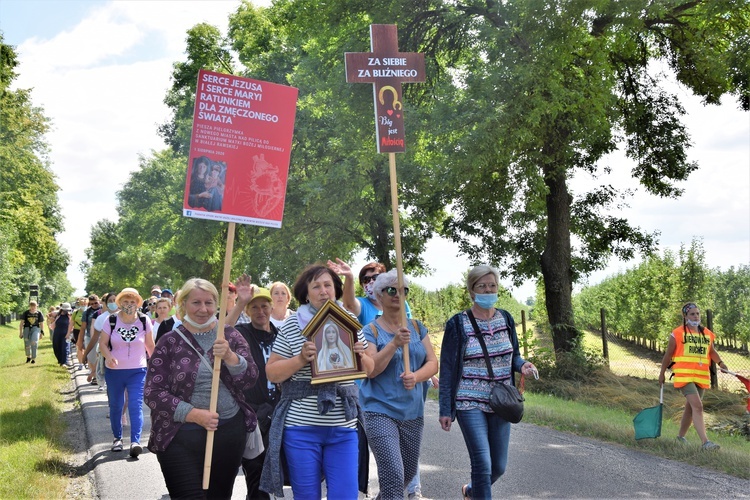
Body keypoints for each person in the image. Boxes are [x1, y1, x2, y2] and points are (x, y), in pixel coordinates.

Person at [260, 264, 374, 499]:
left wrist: (361, 355)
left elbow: (369, 370)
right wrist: (301, 358)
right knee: (306, 496)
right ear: (306, 293)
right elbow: (272, 373)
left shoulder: (349, 321)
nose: (323, 291)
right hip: (301, 429)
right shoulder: (293, 325)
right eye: (316, 286)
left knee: (345, 495)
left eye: (328, 285)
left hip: (343, 426)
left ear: (336, 289)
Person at [144, 278, 259, 499]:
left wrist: (231, 358)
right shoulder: (169, 342)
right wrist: (193, 414)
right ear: (183, 304)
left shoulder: (230, 336)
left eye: (209, 302)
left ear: (217, 304)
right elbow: (153, 393)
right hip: (178, 436)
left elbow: (250, 379)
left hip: (228, 434)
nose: (203, 309)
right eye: (196, 302)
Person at [439, 265, 537, 500]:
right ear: (472, 291)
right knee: (482, 463)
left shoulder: (506, 318)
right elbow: (448, 368)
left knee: (498, 467)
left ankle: (472, 491)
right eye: (481, 286)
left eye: (492, 285)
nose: (488, 289)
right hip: (468, 401)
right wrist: (445, 408)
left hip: (500, 401)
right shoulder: (457, 324)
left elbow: (513, 355)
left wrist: (522, 365)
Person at [360, 270, 438, 500]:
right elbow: (371, 370)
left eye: (403, 290)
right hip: (379, 411)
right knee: (393, 475)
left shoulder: (417, 327)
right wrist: (394, 344)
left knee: (406, 473)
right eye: (391, 290)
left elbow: (433, 363)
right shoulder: (370, 331)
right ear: (379, 295)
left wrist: (416, 376)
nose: (397, 294)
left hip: (412, 412)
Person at [227, 278, 281, 500]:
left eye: (264, 306)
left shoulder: (280, 335)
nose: (261, 311)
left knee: (275, 471)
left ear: (271, 308)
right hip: (251, 414)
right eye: (255, 307)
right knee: (256, 471)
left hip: (279, 413)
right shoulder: (241, 333)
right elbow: (221, 333)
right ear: (248, 310)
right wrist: (239, 302)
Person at [659, 302, 727, 451]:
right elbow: (668, 355)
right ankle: (705, 442)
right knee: (698, 406)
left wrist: (721, 363)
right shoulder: (677, 334)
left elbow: (712, 352)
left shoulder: (707, 334)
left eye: (698, 313)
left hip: (701, 377)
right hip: (684, 377)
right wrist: (662, 373)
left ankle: (680, 438)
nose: (696, 316)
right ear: (685, 316)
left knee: (691, 409)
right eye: (692, 314)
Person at [99, 287, 155, 457]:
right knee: (116, 405)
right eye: (126, 301)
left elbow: (150, 346)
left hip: (137, 370)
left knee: (135, 405)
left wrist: (160, 367)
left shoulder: (145, 321)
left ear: (138, 304)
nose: (129, 305)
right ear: (120, 303)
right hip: (114, 371)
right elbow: (102, 344)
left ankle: (135, 442)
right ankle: (117, 438)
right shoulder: (111, 320)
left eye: (132, 302)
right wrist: (108, 356)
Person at [327, 259, 412, 325]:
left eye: (375, 277)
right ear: (362, 285)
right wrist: (349, 277)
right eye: (366, 280)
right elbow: (350, 305)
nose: (371, 282)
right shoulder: (363, 304)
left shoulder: (400, 302)